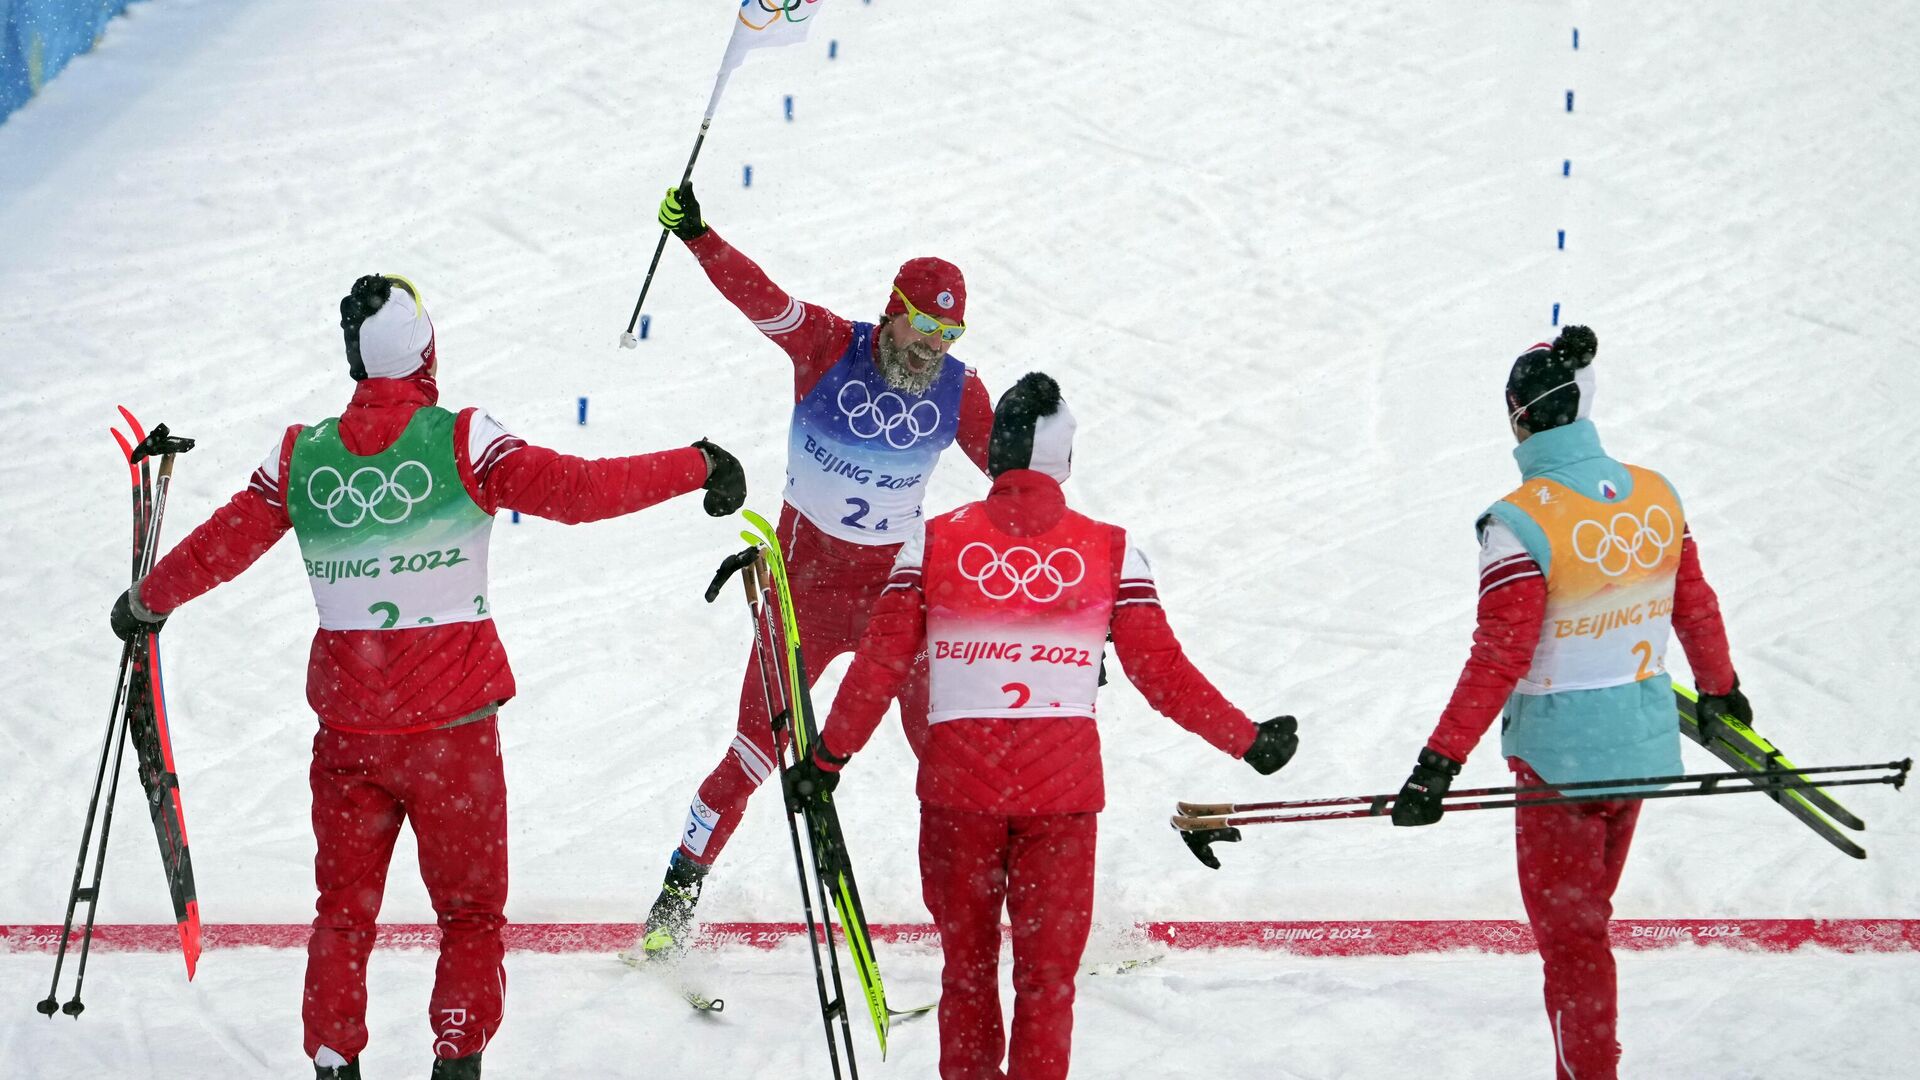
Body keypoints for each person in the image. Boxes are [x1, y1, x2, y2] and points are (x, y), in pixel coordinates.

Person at [108, 275, 747, 1080]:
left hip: (350, 737)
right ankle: (457, 1055)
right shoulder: (463, 441)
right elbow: (580, 494)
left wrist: (146, 601)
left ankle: (335, 1057)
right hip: (453, 741)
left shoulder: (300, 455)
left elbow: (222, 545)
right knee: (470, 916)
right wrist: (698, 465)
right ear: (425, 349)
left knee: (342, 914)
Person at [784, 372, 1300, 1080]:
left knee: (967, 973)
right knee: (1048, 983)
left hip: (958, 794)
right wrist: (1247, 739)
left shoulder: (930, 544)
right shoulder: (1112, 551)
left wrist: (826, 759)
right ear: (1062, 459)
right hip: (1060, 801)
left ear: (995, 453)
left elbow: (878, 666)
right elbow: (1163, 676)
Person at [638, 182, 998, 956]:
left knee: (945, 747)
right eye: (923, 324)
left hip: (898, 599)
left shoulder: (960, 392)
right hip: (802, 593)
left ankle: (991, 904)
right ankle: (678, 892)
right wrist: (700, 236)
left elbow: (1019, 485)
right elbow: (762, 300)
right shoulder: (828, 346)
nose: (934, 343)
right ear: (893, 307)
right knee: (752, 751)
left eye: (950, 329)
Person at [1388, 326, 1742, 1080]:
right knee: (1586, 930)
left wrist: (1438, 762)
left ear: (1517, 418)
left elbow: (1501, 654)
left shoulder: (1520, 520)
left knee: (1572, 946)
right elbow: (1695, 603)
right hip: (1640, 751)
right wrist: (1721, 691)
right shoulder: (1655, 492)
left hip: (1560, 765)